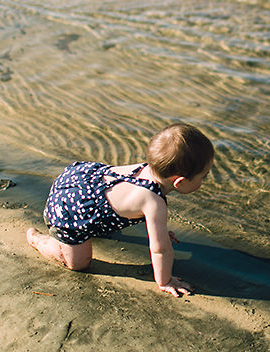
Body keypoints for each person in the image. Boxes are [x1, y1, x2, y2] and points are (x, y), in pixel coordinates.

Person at [26, 122, 214, 296]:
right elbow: (160, 250)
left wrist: (161, 232)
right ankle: (39, 240)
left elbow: (121, 196)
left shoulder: (146, 169)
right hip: (68, 212)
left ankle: (91, 225)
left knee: (102, 209)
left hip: (76, 183)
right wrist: (165, 281)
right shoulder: (154, 202)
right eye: (203, 177)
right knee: (78, 264)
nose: (204, 180)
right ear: (179, 182)